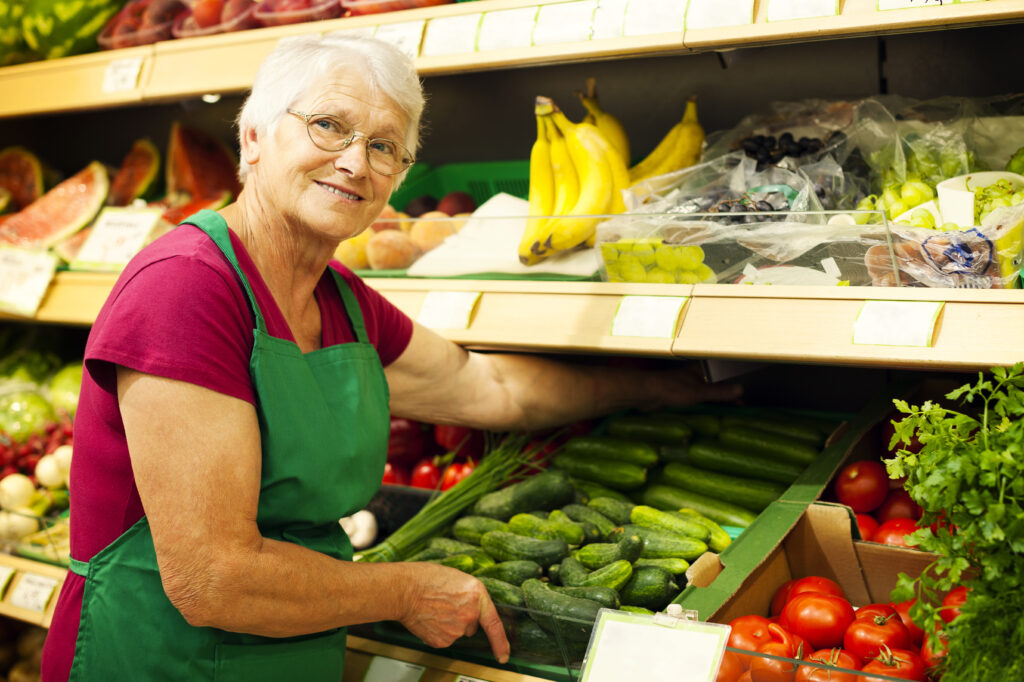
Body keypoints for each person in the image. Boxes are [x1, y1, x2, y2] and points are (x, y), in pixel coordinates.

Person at [41, 34, 740, 681]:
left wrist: (654, 389)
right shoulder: (186, 289)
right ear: (253, 138)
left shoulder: (340, 299)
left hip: (288, 655)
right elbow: (213, 577)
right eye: (329, 127)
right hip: (157, 660)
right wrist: (406, 589)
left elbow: (487, 385)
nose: (355, 162)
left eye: (385, 147)